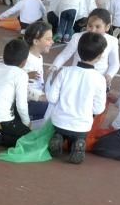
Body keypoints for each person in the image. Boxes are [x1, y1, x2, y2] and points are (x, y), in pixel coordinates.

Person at [46, 32, 108, 164]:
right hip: (82, 125)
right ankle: (78, 143)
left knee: (60, 130)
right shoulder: (99, 79)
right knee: (80, 133)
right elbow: (98, 108)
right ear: (100, 55)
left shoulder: (65, 72)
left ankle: (58, 137)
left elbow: (51, 97)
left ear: (78, 51)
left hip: (59, 121)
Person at [49, 8, 118, 90]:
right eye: (90, 25)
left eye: (97, 27)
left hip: (98, 80)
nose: (92, 30)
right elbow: (65, 55)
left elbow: (114, 63)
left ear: (107, 27)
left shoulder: (112, 41)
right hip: (76, 78)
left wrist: (109, 75)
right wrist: (55, 66)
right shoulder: (77, 37)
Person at [23, 20, 53, 121]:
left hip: (33, 99)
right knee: (53, 108)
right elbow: (19, 88)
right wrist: (40, 97)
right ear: (36, 41)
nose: (52, 42)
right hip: (25, 101)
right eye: (48, 39)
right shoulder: (26, 59)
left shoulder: (38, 56)